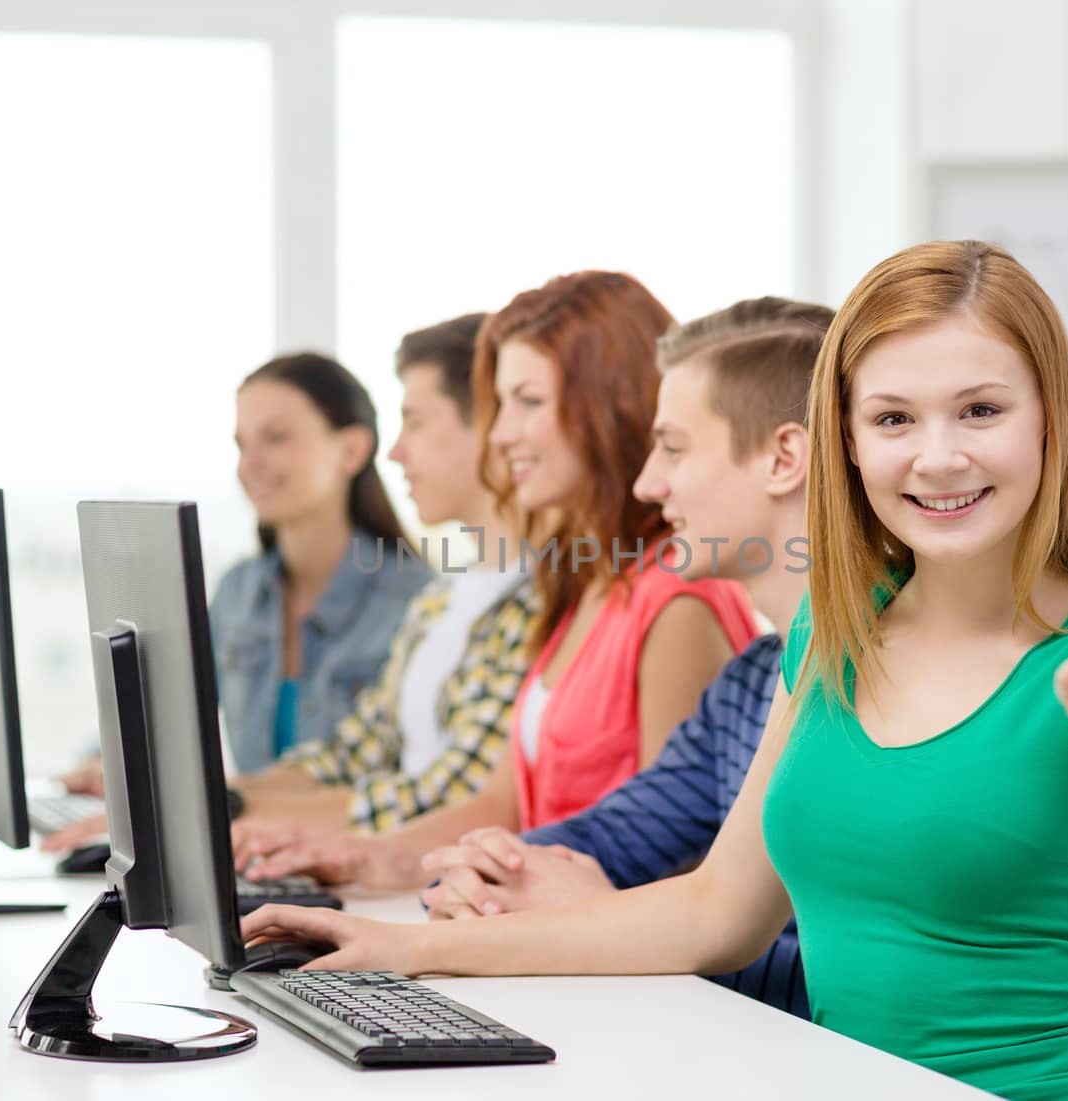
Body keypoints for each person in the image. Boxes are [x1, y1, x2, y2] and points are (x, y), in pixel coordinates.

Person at [240, 242, 1068, 1101]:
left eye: (979, 410)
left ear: (1049, 420)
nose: (936, 458)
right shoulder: (830, 641)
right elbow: (715, 915)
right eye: (891, 420)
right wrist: (406, 952)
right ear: (844, 442)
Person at [232, 271, 758, 888]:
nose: (501, 433)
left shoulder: (676, 601)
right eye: (501, 404)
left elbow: (675, 862)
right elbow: (501, 806)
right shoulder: (581, 588)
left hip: (606, 970)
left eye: (527, 402)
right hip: (543, 948)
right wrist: (361, 857)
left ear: (607, 402)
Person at [417, 297, 829, 1022]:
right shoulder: (751, 683)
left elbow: (860, 980)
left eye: (673, 448)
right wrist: (482, 875)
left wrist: (609, 916)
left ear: (784, 458)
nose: (649, 483)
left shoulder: (880, 685)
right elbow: (612, 834)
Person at [46, 352, 433, 831]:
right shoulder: (239, 593)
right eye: (241, 444)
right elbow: (162, 711)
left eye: (275, 438)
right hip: (256, 851)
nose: (249, 465)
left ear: (352, 450)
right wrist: (101, 766)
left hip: (363, 864)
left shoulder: (418, 601)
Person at [222, 313, 540, 832]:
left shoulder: (538, 601)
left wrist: (236, 817)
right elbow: (351, 754)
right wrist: (213, 804)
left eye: (414, 421)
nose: (394, 451)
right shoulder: (440, 600)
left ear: (487, 425)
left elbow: (451, 795)